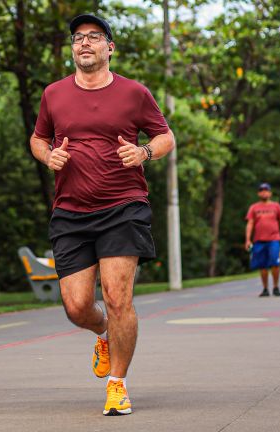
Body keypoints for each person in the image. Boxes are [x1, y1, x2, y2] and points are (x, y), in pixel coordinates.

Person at [29, 14, 175, 416]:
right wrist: (48, 156)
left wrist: (144, 152)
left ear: (110, 47)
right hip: (71, 211)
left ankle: (117, 384)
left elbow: (165, 137)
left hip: (123, 207)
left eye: (94, 37)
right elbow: (38, 138)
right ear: (72, 48)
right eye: (78, 38)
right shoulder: (54, 94)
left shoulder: (134, 93)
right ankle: (102, 334)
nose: (85, 44)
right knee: (76, 306)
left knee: (116, 296)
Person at [244, 183, 280, 297]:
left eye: (266, 190)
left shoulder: (276, 206)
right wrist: (248, 239)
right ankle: (265, 288)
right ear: (258, 193)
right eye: (261, 190)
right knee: (262, 265)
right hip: (259, 240)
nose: (264, 192)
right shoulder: (254, 207)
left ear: (270, 193)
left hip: (274, 239)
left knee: (275, 263)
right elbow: (250, 223)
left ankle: (275, 286)